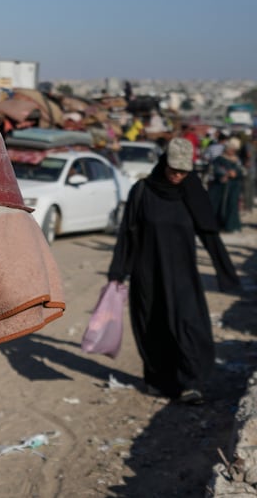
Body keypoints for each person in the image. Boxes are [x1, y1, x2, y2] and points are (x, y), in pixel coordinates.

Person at [108, 137, 240, 405]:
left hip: (182, 275)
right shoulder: (142, 191)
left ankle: (192, 383)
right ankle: (159, 381)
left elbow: (209, 234)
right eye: (173, 169)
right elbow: (128, 234)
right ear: (163, 164)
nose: (178, 175)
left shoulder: (191, 192)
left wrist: (225, 272)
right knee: (153, 325)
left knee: (188, 324)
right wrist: (118, 272)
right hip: (148, 272)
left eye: (183, 171)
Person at [208, 137, 245, 232]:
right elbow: (214, 170)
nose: (232, 152)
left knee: (232, 205)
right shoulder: (219, 159)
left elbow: (242, 171)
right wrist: (227, 173)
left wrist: (236, 173)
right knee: (219, 206)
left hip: (234, 187)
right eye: (231, 149)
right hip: (220, 187)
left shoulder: (237, 160)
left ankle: (231, 226)